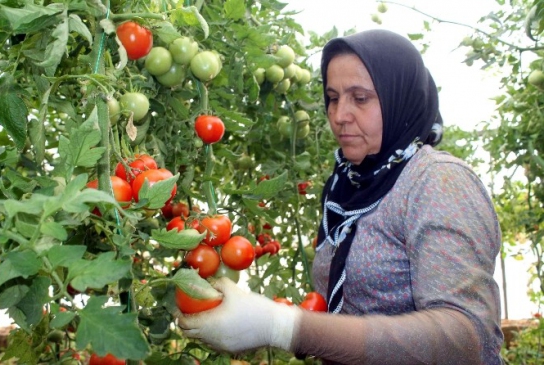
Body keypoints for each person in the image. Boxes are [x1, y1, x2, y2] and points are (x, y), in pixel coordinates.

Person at [178, 29, 504, 365]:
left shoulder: (437, 182)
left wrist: (285, 327)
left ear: (398, 98)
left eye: (360, 98)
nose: (339, 115)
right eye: (333, 97)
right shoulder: (345, 186)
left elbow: (466, 339)